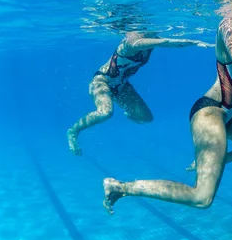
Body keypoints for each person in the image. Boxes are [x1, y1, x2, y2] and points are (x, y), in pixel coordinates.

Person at [103, 5, 232, 211]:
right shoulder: (229, 24)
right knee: (202, 198)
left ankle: (223, 159)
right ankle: (121, 188)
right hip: (210, 112)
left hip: (231, 115)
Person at [67, 32, 212, 156]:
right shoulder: (131, 43)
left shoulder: (152, 37)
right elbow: (166, 42)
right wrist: (195, 42)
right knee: (106, 112)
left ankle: (127, 113)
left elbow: (167, 40)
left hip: (122, 86)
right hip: (102, 82)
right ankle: (73, 132)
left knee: (147, 118)